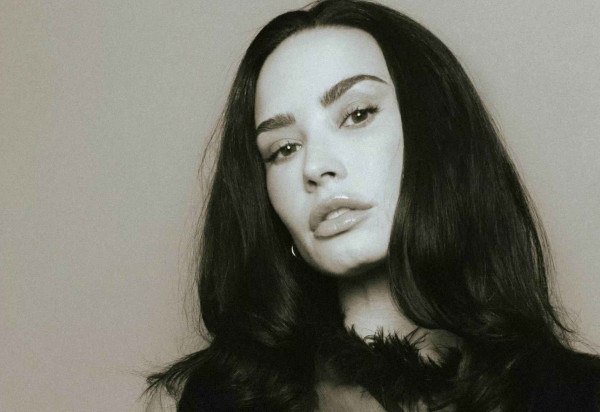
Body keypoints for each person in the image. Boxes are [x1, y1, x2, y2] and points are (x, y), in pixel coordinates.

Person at [146, 0, 600, 410]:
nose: (315, 167)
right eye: (284, 149)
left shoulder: (578, 394)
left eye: (357, 115)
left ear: (435, 132)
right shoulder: (227, 400)